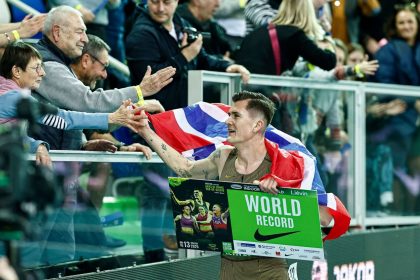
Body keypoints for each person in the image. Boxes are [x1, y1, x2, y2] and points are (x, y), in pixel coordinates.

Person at [136, 90, 332, 279]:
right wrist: (145, 131)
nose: (227, 121)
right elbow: (185, 168)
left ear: (257, 125)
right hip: (229, 269)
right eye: (229, 115)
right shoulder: (223, 156)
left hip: (270, 271)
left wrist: (282, 198)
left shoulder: (283, 166)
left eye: (235, 116)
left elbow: (324, 221)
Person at [29, 5, 174, 150]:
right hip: (42, 164)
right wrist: (140, 91)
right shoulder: (45, 65)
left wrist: (85, 145)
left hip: (58, 164)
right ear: (57, 32)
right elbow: (88, 102)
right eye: (80, 32)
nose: (85, 39)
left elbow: (73, 119)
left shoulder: (60, 62)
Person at [0, 41, 143, 165]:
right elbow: (63, 119)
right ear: (17, 71)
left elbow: (10, 137)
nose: (42, 73)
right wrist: (110, 118)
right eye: (36, 67)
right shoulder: (13, 98)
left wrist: (37, 145)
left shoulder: (8, 95)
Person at [125, 0, 250, 110]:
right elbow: (150, 81)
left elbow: (202, 58)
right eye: (155, 2)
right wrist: (184, 57)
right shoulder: (140, 34)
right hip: (152, 118)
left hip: (180, 111)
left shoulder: (181, 23)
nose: (160, 8)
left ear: (177, 1)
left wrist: (227, 66)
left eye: (166, 2)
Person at [373, 4, 420, 214]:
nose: (406, 26)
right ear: (395, 26)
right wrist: (413, 102)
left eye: (410, 21)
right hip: (398, 120)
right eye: (401, 22)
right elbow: (385, 85)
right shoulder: (388, 51)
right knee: (397, 170)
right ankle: (396, 216)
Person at [235, 0, 336, 76]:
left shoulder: (261, 31)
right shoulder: (294, 35)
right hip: (260, 90)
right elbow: (328, 62)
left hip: (244, 85)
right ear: (308, 12)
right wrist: (327, 39)